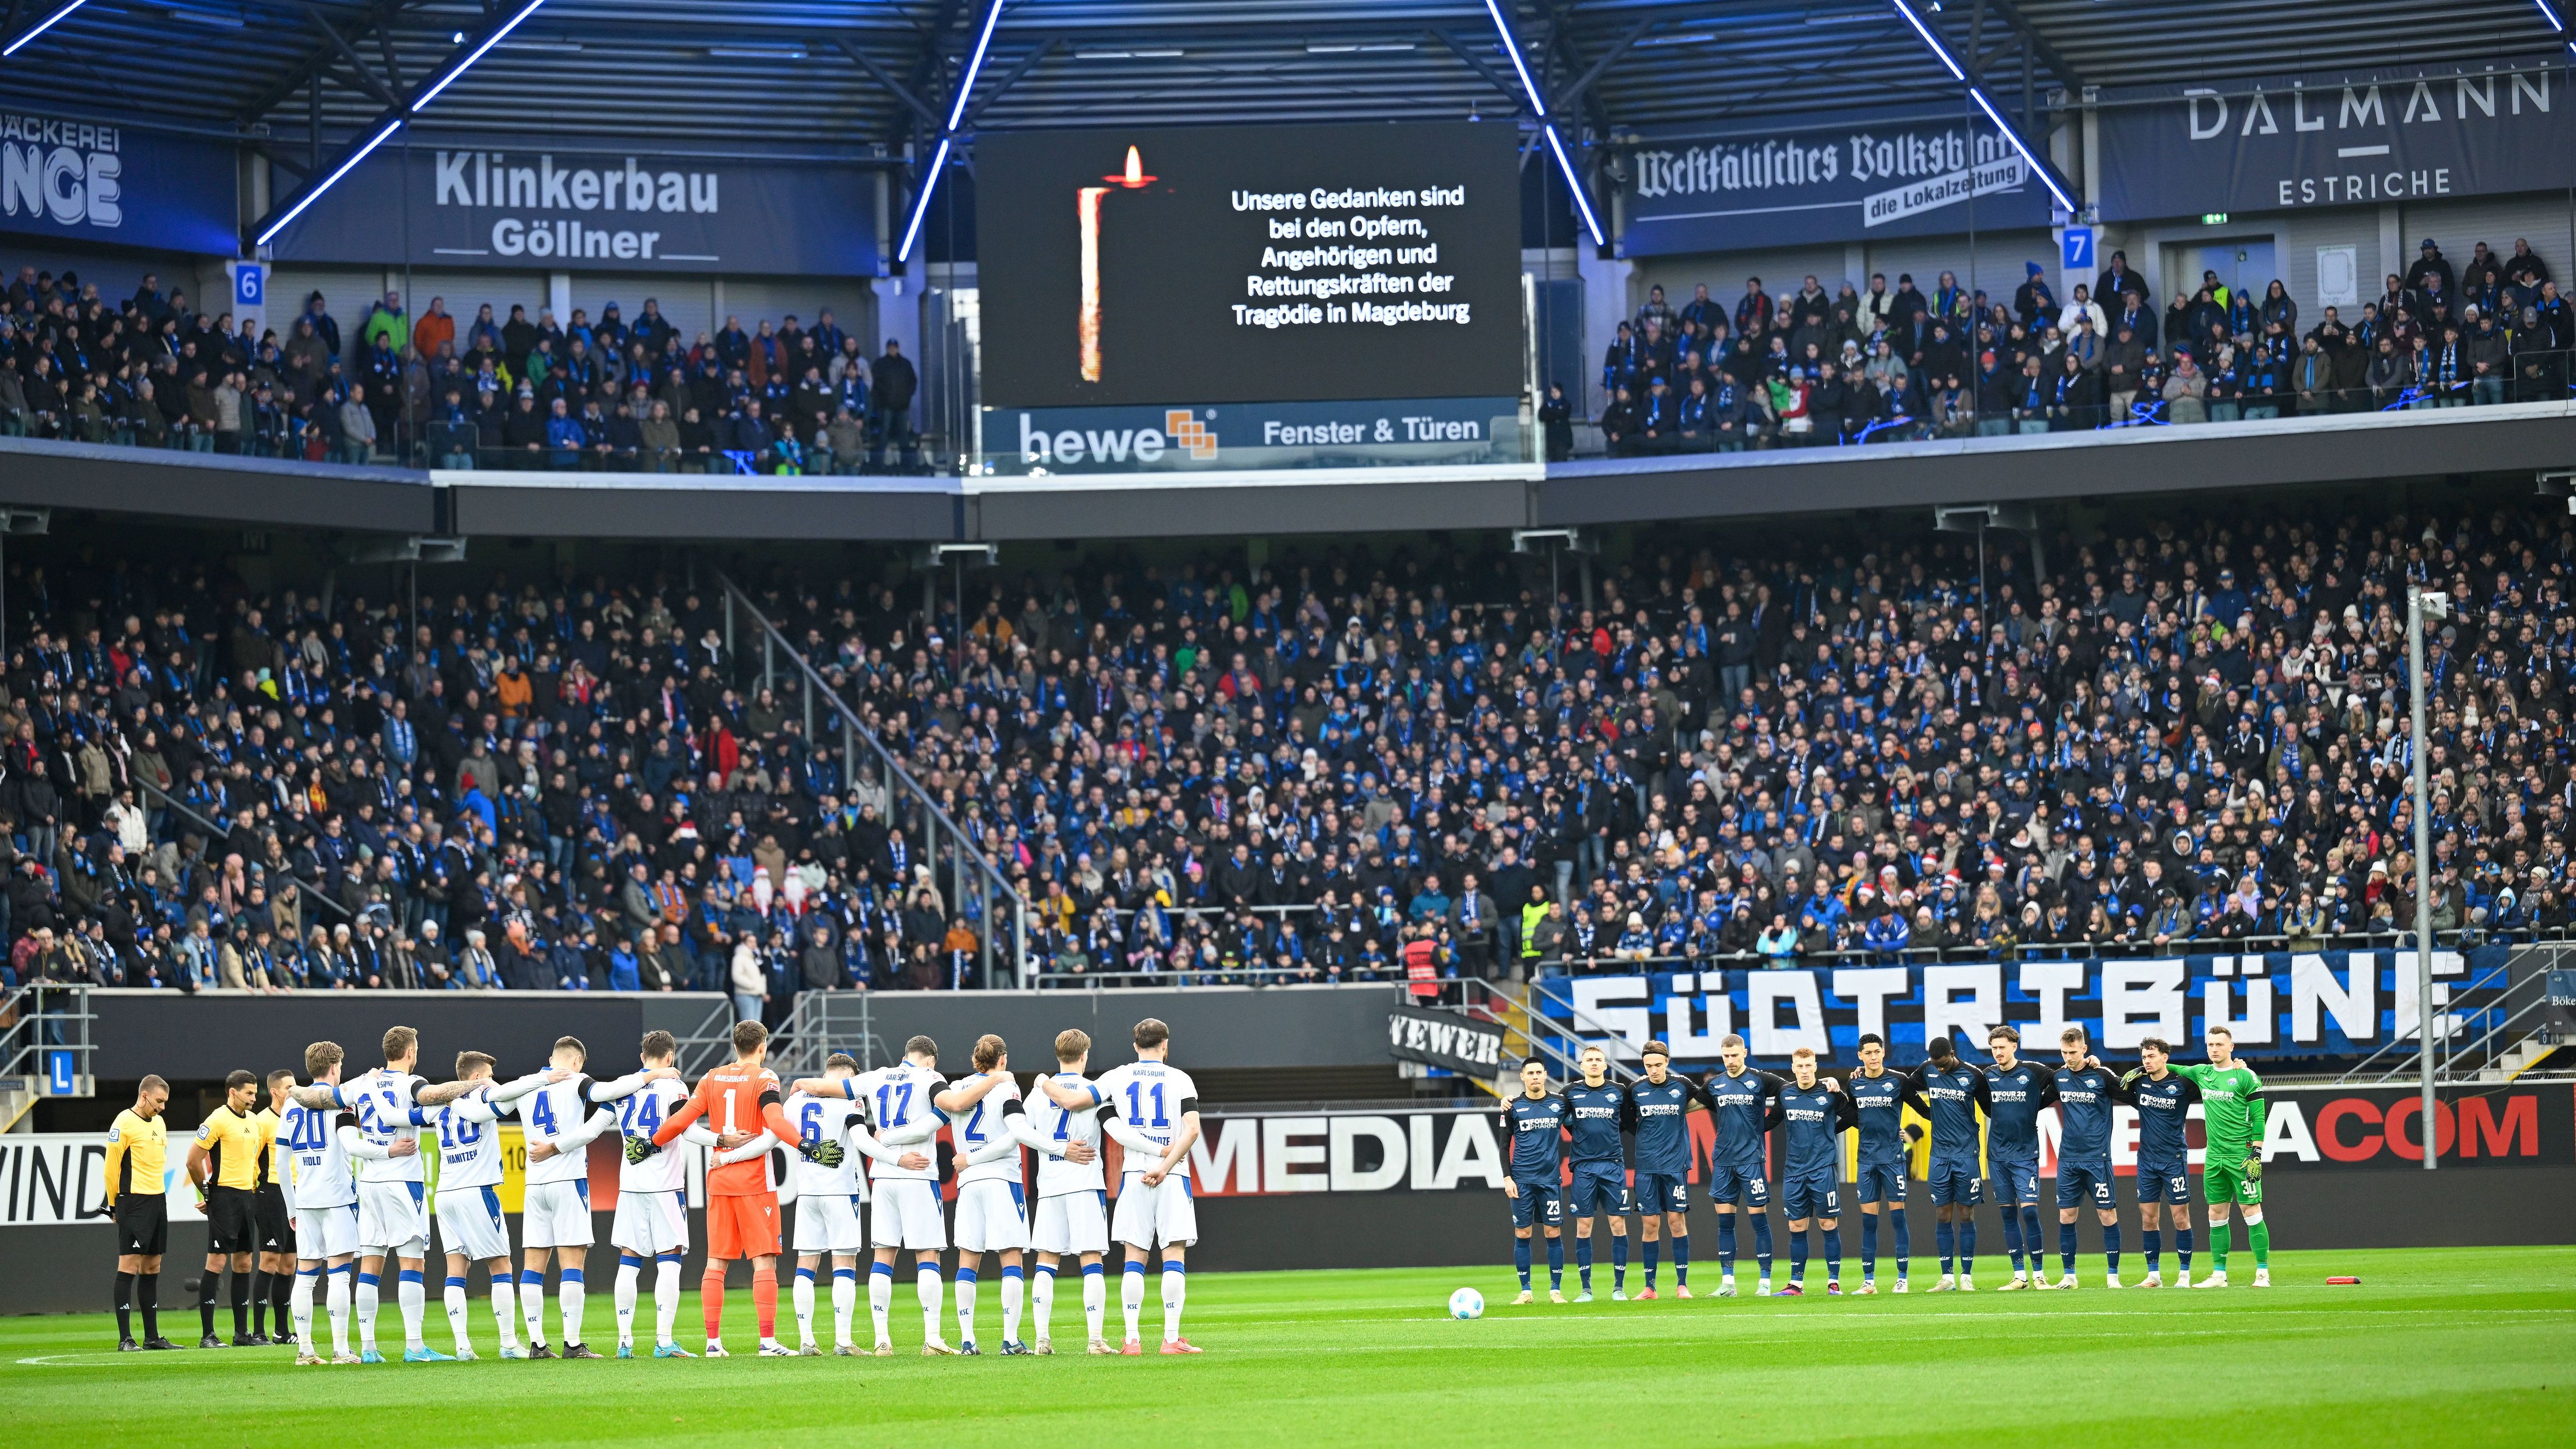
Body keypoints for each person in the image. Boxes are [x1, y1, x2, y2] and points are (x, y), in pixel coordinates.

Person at [286, 1025, 479, 1362]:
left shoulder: (364, 1084)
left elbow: (316, 1099)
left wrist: (294, 1091)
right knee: (412, 1262)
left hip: (369, 1183)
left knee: (370, 1266)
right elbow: (432, 1095)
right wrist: (475, 1084)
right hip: (403, 1179)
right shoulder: (410, 1083)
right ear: (410, 1052)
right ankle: (415, 1346)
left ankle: (370, 1347)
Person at [643, 1018, 809, 1354]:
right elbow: (776, 1122)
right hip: (754, 1180)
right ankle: (767, 1341)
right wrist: (806, 1145)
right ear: (761, 1047)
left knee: (716, 1262)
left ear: (735, 1046)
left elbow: (681, 1121)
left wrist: (651, 1142)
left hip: (718, 1179)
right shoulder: (765, 1077)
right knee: (764, 1260)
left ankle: (713, 1342)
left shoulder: (711, 1076)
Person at [604, 1030, 764, 1357]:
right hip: (665, 1185)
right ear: (670, 1058)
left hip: (630, 1185)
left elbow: (595, 1125)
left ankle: (624, 1342)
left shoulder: (623, 1085)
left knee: (629, 1262)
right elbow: (686, 1128)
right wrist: (723, 1140)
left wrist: (554, 1148)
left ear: (642, 1057)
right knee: (670, 1261)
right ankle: (663, 1342)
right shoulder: (675, 1086)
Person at [1090, 1017, 1205, 1353]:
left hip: (1134, 1173)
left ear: (1135, 1046)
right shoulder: (1180, 1079)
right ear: (1165, 1045)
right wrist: (1165, 1164)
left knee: (1134, 1258)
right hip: (1173, 1174)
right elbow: (1192, 1130)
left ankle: (1132, 1339)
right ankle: (1170, 1338)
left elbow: (1106, 1119)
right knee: (1174, 1254)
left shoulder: (1118, 1076)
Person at [421, 1049, 543, 1359]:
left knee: (455, 1269)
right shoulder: (481, 1099)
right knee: (501, 1265)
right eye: (488, 1074)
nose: (492, 1080)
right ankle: (508, 1344)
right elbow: (508, 1098)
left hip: (445, 1193)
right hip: (476, 1190)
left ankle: (462, 1346)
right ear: (476, 1078)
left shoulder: (440, 1107)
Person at [514, 1035, 623, 1357]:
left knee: (533, 1266)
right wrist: (648, 1077)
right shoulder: (578, 1080)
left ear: (552, 1057)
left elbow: (493, 1103)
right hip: (568, 1180)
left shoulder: (525, 1084)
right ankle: (573, 1344)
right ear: (577, 1062)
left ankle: (536, 1344)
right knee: (572, 1263)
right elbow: (606, 1095)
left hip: (534, 1184)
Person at [1012, 1029, 1111, 1354]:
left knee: (1046, 1261)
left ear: (1058, 1056)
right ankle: (1095, 1340)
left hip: (1051, 1184)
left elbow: (1020, 1132)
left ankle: (1042, 1339)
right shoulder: (1095, 1091)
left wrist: (1055, 1148)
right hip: (1085, 1181)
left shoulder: (1037, 1095)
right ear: (1084, 1056)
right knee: (1091, 1260)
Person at [943, 1034, 1036, 1354]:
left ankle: (968, 1340)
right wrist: (974, 1158)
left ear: (974, 1060)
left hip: (969, 1183)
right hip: (1001, 1178)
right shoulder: (1008, 1087)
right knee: (1011, 1259)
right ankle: (1010, 1339)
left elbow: (933, 1121)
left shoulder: (956, 1089)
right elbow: (1014, 1136)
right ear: (1003, 1060)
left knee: (968, 1260)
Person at [783, 1052, 869, 1355]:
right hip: (840, 1191)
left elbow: (775, 1133)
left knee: (806, 1265)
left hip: (806, 1193)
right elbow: (861, 1140)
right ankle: (843, 1341)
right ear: (848, 1076)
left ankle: (807, 1340)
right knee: (844, 1264)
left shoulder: (795, 1101)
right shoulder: (851, 1099)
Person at [2173, 1026, 2270, 1287]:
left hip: (2242, 1154)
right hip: (2214, 1157)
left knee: (2251, 1210)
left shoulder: (2245, 1076)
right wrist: (2144, 1068)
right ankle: (2219, 1274)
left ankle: (2262, 1273)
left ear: (2231, 1047)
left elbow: (2259, 1116)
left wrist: (2257, 1152)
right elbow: (2173, 1068)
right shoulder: (2202, 1073)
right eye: (2210, 1045)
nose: (2214, 1049)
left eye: (2219, 1045)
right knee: (2216, 1213)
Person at [185, 1069, 267, 1348]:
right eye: (249, 1093)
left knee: (245, 1262)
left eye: (256, 1093)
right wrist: (208, 1193)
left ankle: (242, 1334)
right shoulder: (217, 1120)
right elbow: (193, 1161)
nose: (254, 1098)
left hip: (247, 1197)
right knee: (217, 1261)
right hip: (224, 1198)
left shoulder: (255, 1122)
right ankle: (208, 1335)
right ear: (233, 1092)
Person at [1620, 1041, 1708, 1300]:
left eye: (1658, 1065)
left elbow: (1707, 1098)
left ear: (1667, 1063)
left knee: (1676, 1221)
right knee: (1650, 1224)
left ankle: (1682, 1285)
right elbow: (1627, 1120)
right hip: (1646, 1167)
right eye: (1648, 1066)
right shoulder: (1636, 1089)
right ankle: (1650, 1287)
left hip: (1675, 1165)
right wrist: (1647, 1137)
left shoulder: (1681, 1085)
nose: (1654, 1070)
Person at [2113, 1035, 2202, 1288]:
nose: (2147, 1061)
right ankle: (2154, 1275)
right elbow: (2110, 1086)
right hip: (2147, 1161)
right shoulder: (2138, 1084)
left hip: (2174, 1159)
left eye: (2152, 1056)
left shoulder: (2183, 1084)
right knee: (2148, 1217)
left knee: (2180, 1217)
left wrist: (2236, 1067)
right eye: (2143, 1057)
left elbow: (2213, 1081)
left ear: (2165, 1057)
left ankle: (2184, 1275)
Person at [1904, 1034, 1990, 1291]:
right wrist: (1928, 1113)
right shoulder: (1927, 1069)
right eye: (1936, 1064)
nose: (1939, 1068)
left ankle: (1966, 1276)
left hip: (1966, 1154)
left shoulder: (1974, 1076)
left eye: (1943, 1063)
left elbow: (1988, 1108)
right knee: (1942, 1214)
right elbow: (1905, 1089)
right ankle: (1947, 1277)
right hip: (1939, 1156)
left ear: (1952, 1054)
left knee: (1966, 1213)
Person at [1700, 1031, 1780, 1297]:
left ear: (1744, 1053)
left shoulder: (1760, 1079)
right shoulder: (1715, 1085)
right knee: (1725, 1223)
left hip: (1751, 1160)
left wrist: (1765, 1125)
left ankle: (1765, 1282)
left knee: (1759, 1220)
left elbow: (1791, 1092)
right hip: (1723, 1161)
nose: (1730, 1061)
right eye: (1726, 1056)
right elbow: (1685, 1102)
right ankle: (1728, 1284)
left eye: (1735, 1055)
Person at [1773, 1046, 1854, 1295]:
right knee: (1796, 1226)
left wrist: (1831, 1132)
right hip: (1794, 1171)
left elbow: (1852, 1117)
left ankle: (1833, 1282)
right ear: (1793, 1068)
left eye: (1809, 1066)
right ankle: (1796, 1283)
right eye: (1800, 1066)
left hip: (1822, 1168)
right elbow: (1773, 1119)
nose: (1805, 1071)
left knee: (1828, 1223)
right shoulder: (1785, 1093)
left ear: (1816, 1067)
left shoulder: (1829, 1091)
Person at [2047, 1026, 2124, 1289]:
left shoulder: (2103, 1076)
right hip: (2068, 1158)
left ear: (2085, 1049)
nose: (2069, 1057)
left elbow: (2131, 1092)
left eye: (2073, 1052)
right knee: (2066, 1215)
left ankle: (2113, 1276)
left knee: (2107, 1214)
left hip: (2097, 1158)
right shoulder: (2059, 1078)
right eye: (2064, 1052)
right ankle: (2069, 1276)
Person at [1976, 1026, 2052, 1289]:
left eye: (2002, 1047)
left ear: (2014, 1047)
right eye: (1994, 1048)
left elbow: (2064, 1079)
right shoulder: (1987, 1076)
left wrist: (2035, 1105)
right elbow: (1984, 1104)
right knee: (2008, 1215)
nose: (1998, 1052)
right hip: (1997, 1155)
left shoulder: (2033, 1071)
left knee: (2030, 1213)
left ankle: (2040, 1274)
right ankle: (2020, 1276)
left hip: (2025, 1154)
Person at [106, 1075, 177, 1351]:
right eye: (159, 1101)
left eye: (165, 1102)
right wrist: (114, 1203)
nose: (162, 1107)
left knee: (152, 1266)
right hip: (132, 1201)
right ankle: (125, 1339)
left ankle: (152, 1337)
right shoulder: (123, 1123)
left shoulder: (159, 1123)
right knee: (129, 1265)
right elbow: (111, 1167)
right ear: (145, 1096)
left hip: (158, 1200)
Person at [1842, 1033, 1913, 1293]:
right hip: (1866, 1161)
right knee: (1869, 1222)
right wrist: (1827, 1131)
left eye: (1877, 1052)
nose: (1873, 1057)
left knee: (1898, 1219)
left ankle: (1903, 1278)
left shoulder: (1898, 1081)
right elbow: (1851, 1116)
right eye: (1868, 1053)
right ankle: (1869, 1281)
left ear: (1884, 1053)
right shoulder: (1855, 1085)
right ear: (1860, 1056)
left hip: (1893, 1159)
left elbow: (1924, 1108)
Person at [1559, 1044, 1630, 1302]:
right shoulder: (1569, 1093)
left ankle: (1619, 1288)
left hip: (1612, 1165)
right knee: (1584, 1226)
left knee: (1617, 1223)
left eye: (1598, 1060)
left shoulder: (1619, 1091)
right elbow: (1551, 1111)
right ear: (1581, 1065)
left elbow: (1628, 1121)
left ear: (1605, 1065)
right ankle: (1586, 1289)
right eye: (1589, 1060)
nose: (1594, 1063)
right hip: (1584, 1167)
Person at [1495, 1056, 1567, 1305]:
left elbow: (1581, 1128)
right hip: (1522, 1181)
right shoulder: (1512, 1107)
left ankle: (1555, 1290)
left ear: (1545, 1075)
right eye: (1530, 1073)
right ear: (1523, 1077)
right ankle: (1526, 1291)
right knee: (1523, 1232)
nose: (1535, 1077)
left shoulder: (1560, 1104)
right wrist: (1507, 1178)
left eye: (1539, 1072)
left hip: (1550, 1181)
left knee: (1552, 1231)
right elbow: (1504, 1147)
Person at [250, 1069, 299, 1344]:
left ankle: (282, 1331)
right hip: (271, 1193)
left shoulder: (295, 1118)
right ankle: (258, 1332)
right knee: (269, 1260)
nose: (294, 1090)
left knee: (289, 1263)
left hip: (296, 1194)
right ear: (276, 1092)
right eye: (289, 1087)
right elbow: (252, 1159)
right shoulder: (263, 1122)